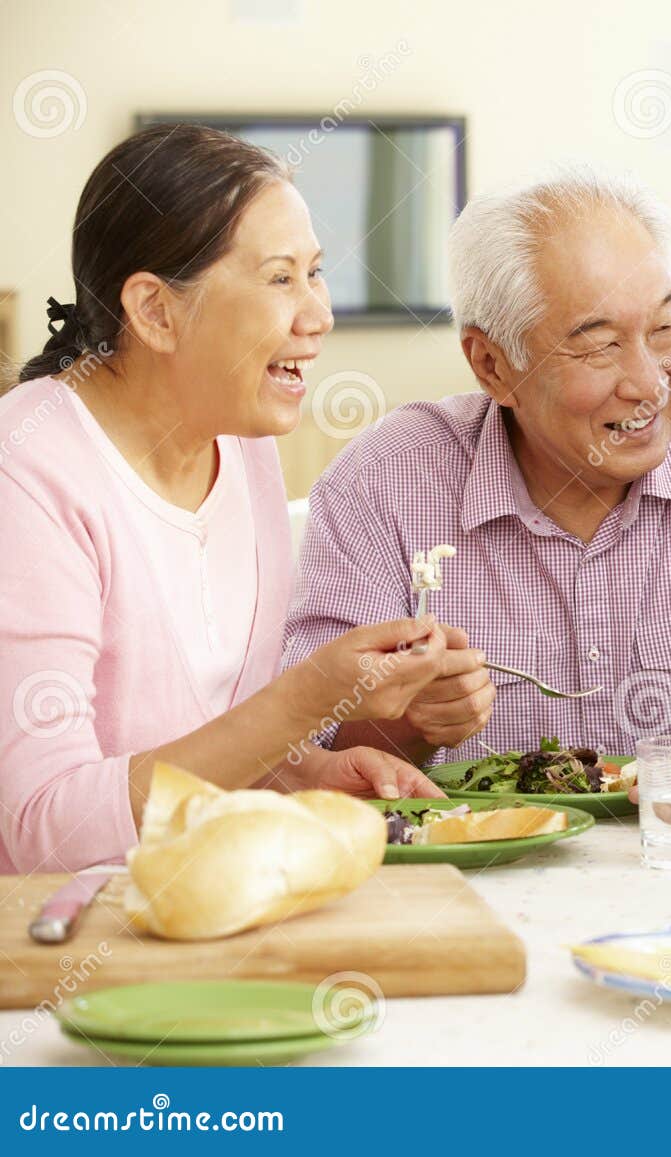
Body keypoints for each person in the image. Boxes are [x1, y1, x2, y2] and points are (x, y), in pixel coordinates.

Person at [282, 167, 671, 825]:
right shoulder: (382, 485)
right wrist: (418, 723)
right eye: (600, 346)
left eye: (665, 329)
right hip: (476, 890)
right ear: (492, 365)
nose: (649, 382)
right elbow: (307, 757)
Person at [0, 125, 473, 874]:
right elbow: (41, 832)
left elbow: (201, 741)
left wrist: (302, 774)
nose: (318, 315)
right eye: (281, 279)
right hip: (56, 953)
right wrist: (307, 700)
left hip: (200, 911)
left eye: (315, 274)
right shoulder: (27, 470)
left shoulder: (243, 440)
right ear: (155, 310)